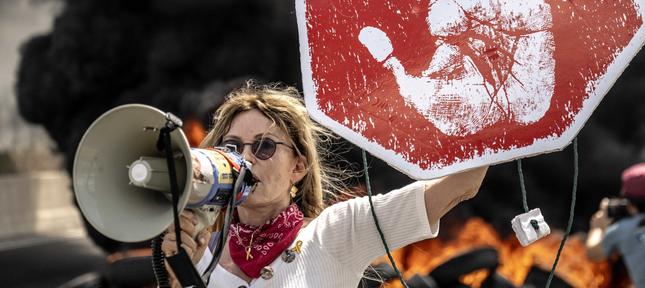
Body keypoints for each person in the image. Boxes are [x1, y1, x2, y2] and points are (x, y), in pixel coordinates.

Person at [161, 82, 488, 287]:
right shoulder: (201, 249)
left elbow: (463, 183)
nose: (246, 159)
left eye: (264, 147)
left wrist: (487, 101)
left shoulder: (338, 231)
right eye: (232, 148)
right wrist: (179, 277)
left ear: (298, 167)